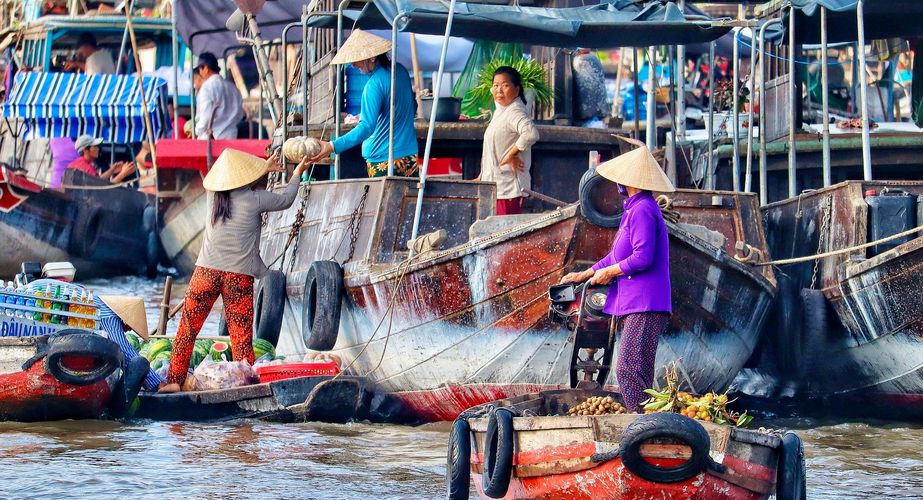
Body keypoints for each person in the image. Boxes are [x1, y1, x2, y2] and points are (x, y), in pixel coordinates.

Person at [159, 150, 310, 392]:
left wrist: (264, 169)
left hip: (205, 272)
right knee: (240, 336)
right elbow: (286, 200)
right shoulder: (256, 199)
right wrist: (298, 173)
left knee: (187, 329)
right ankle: (245, 384)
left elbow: (234, 184)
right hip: (237, 277)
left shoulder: (213, 196)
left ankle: (174, 382)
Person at [559, 141, 674, 413]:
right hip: (636, 303)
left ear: (629, 181)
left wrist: (609, 273)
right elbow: (615, 257)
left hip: (646, 303)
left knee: (628, 371)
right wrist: (586, 273)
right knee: (639, 374)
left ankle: (641, 425)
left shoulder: (644, 208)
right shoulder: (632, 209)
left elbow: (642, 257)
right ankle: (647, 423)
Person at [308, 29, 418, 177]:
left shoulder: (373, 85)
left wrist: (332, 146)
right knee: (409, 199)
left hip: (383, 161)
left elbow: (367, 127)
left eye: (357, 58)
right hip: (410, 157)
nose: (353, 64)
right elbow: (413, 105)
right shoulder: (401, 71)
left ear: (372, 57)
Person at [477, 66, 539, 215]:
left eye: (505, 85)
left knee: (504, 232)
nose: (499, 90)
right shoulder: (501, 111)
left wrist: (511, 154)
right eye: (496, 85)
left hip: (508, 189)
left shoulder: (515, 111)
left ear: (517, 89)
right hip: (495, 187)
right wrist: (482, 175)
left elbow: (531, 133)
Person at [192, 52, 243, 140]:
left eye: (200, 69)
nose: (199, 72)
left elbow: (206, 116)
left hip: (212, 142)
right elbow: (240, 115)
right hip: (231, 137)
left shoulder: (206, 87)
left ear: (205, 68)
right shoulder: (233, 88)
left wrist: (197, 130)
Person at [67, 134, 135, 182]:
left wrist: (112, 170)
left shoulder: (77, 163)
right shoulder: (87, 168)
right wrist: (123, 174)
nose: (98, 149)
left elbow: (98, 180)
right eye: (95, 147)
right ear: (85, 150)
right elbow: (102, 189)